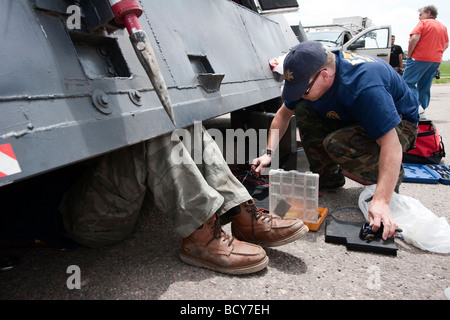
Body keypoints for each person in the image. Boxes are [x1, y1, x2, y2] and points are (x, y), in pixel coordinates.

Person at [59, 123, 308, 275]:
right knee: (154, 131)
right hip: (88, 223)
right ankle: (200, 236)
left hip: (127, 207)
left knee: (186, 124)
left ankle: (242, 214)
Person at [252, 41, 419, 241]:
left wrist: (381, 200)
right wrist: (268, 153)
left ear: (324, 75)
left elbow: (391, 145)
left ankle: (388, 177)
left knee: (336, 142)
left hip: (400, 125)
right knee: (304, 109)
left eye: (303, 90)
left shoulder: (365, 84)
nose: (300, 94)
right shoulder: (312, 72)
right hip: (353, 116)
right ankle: (328, 177)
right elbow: (282, 115)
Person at [403, 5, 449, 114]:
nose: (419, 18)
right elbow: (446, 44)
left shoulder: (423, 23)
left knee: (407, 83)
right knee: (425, 86)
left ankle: (415, 109)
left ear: (428, 13)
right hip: (435, 61)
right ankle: (423, 110)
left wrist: (409, 55)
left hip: (419, 58)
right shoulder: (442, 27)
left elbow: (414, 39)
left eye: (420, 14)